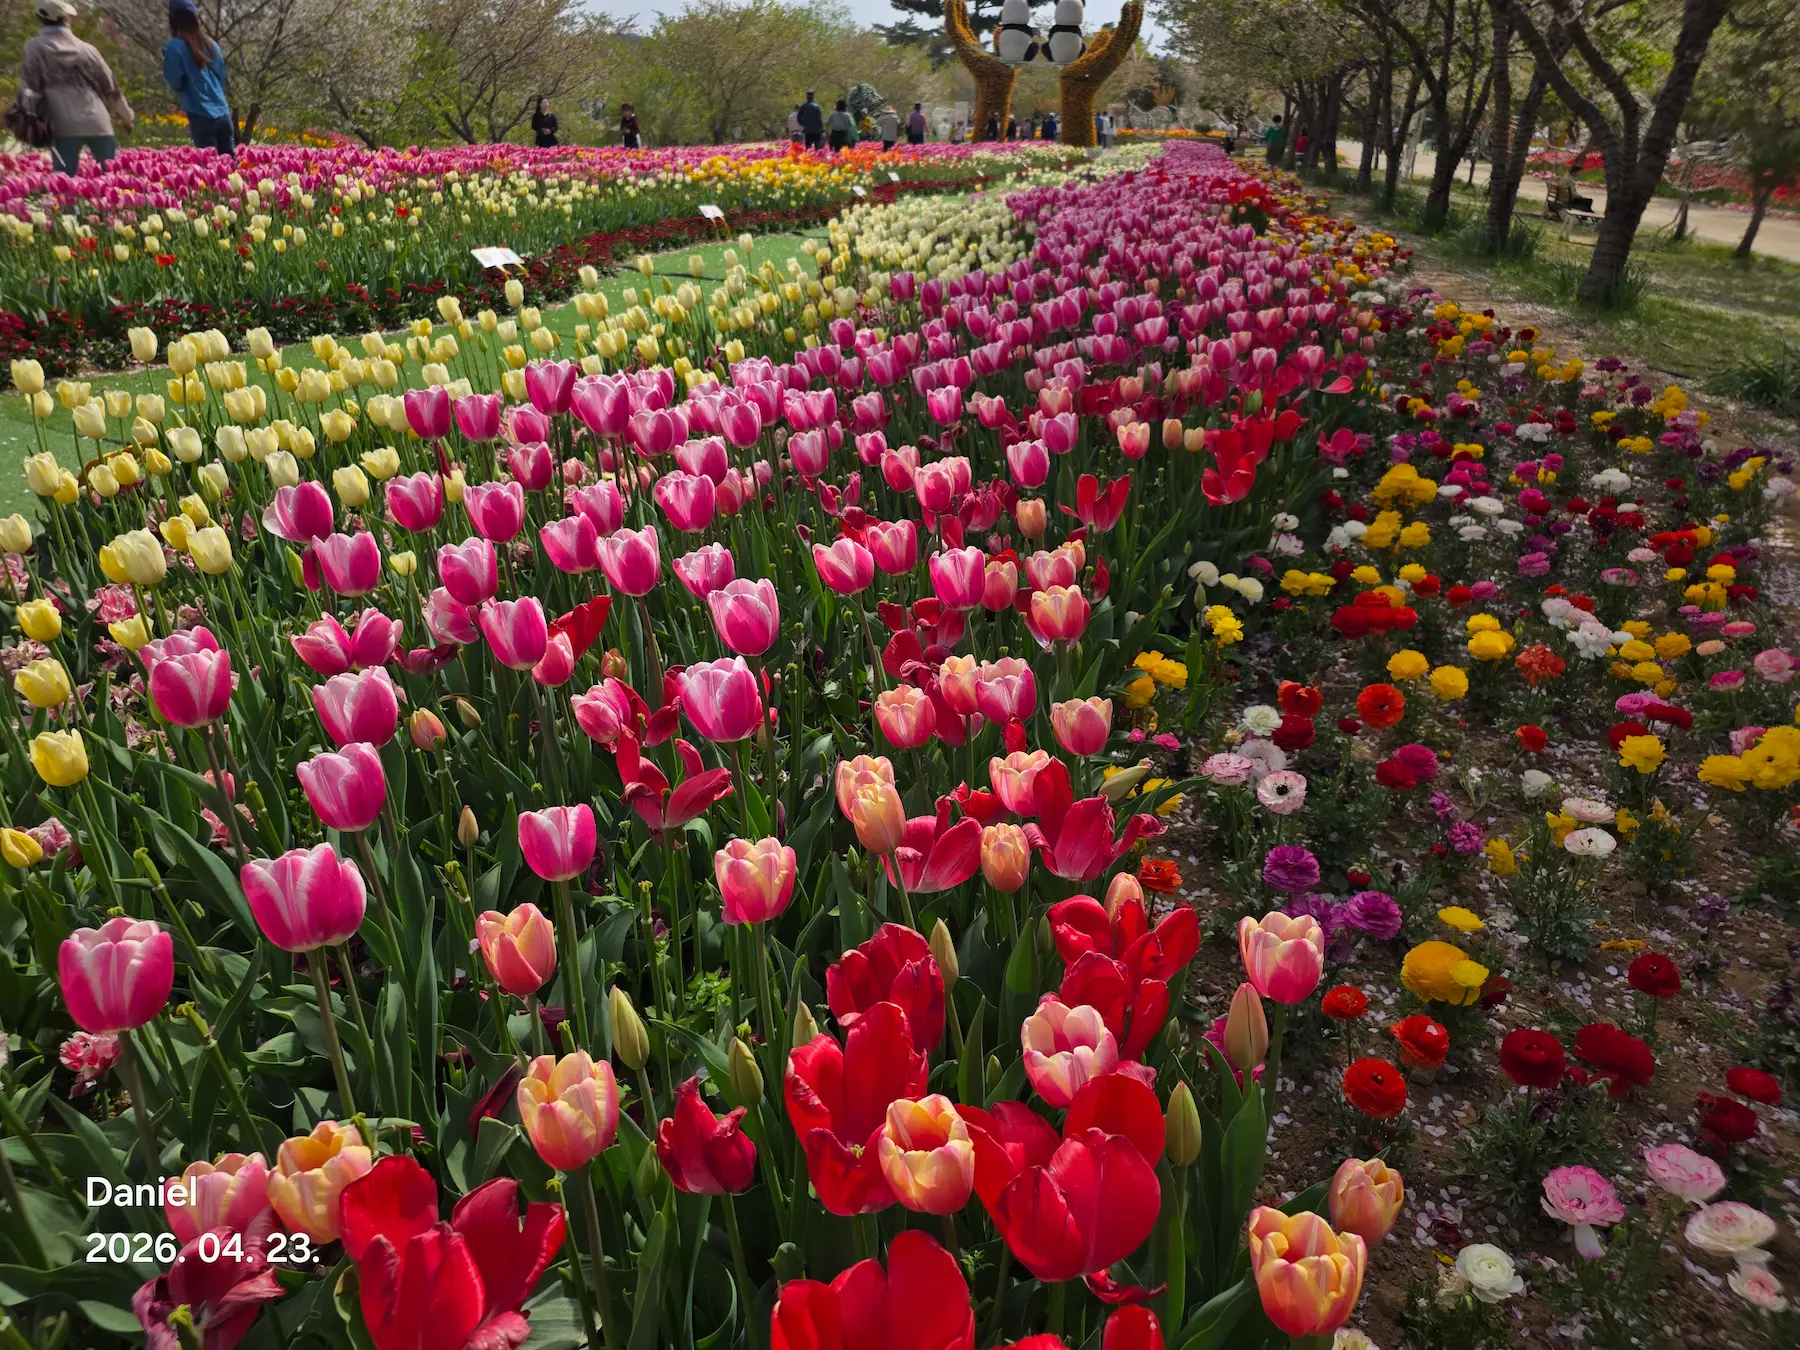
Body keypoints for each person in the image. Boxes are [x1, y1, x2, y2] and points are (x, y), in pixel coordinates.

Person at [19, 0, 133, 176]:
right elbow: (110, 86)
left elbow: (30, 88)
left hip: (62, 124)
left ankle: (70, 205)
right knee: (112, 182)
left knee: (65, 187)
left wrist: (30, 120)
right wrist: (127, 116)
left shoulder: (35, 47)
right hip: (98, 122)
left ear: (39, 18)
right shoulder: (87, 50)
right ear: (66, 19)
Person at [163, 0, 232, 156]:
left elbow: (174, 82)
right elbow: (221, 79)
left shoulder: (174, 46)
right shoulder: (212, 45)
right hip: (223, 112)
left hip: (201, 114)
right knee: (229, 169)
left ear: (172, 20)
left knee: (210, 169)